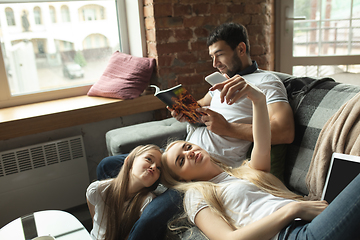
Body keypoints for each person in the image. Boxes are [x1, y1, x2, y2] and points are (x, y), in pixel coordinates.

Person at [95, 22, 294, 239]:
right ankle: (111, 221)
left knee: (149, 221)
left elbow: (284, 131)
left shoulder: (266, 81)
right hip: (181, 152)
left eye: (219, 55)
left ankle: (140, 207)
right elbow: (200, 107)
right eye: (211, 57)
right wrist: (186, 112)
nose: (215, 63)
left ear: (241, 49)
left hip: (202, 169)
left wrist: (227, 128)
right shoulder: (220, 83)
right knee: (108, 166)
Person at [161, 78, 360, 240]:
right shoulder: (195, 196)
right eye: (181, 161)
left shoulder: (239, 174)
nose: (189, 153)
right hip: (294, 234)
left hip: (309, 222)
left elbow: (262, 142)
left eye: (187, 147)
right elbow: (229, 239)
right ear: (183, 179)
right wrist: (293, 209)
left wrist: (257, 98)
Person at [86, 144, 162, 240]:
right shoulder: (97, 189)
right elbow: (95, 219)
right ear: (128, 161)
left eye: (159, 168)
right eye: (149, 159)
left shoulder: (148, 204)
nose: (154, 167)